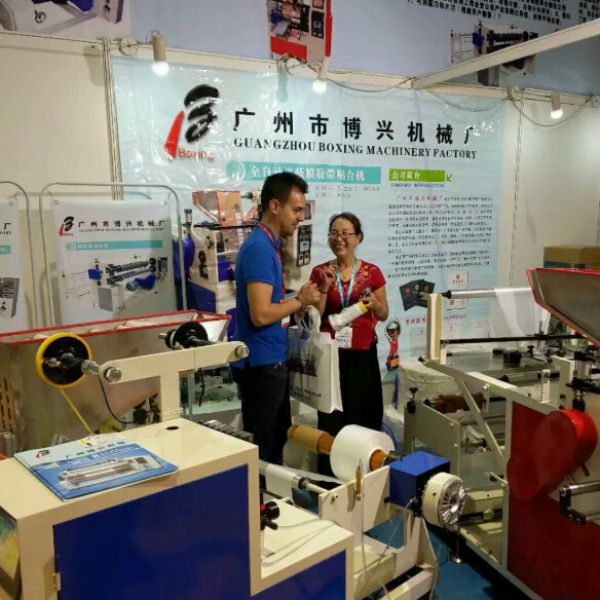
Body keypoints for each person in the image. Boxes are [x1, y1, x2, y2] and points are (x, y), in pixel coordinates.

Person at [232, 172, 321, 464]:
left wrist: (296, 302)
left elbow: (270, 303)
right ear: (274, 206)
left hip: (270, 360)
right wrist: (299, 300)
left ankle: (269, 490)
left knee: (276, 437)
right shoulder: (259, 248)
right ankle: (260, 493)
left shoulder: (268, 245)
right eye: (296, 210)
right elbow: (260, 314)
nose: (300, 218)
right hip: (261, 364)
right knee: (264, 447)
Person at [310, 212, 389, 474]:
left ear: (358, 238)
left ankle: (366, 475)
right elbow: (316, 315)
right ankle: (328, 479)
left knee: (365, 414)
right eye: (334, 233)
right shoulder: (321, 272)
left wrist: (374, 304)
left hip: (362, 356)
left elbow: (384, 314)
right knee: (331, 419)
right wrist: (324, 287)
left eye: (345, 233)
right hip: (330, 356)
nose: (339, 239)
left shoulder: (372, 273)